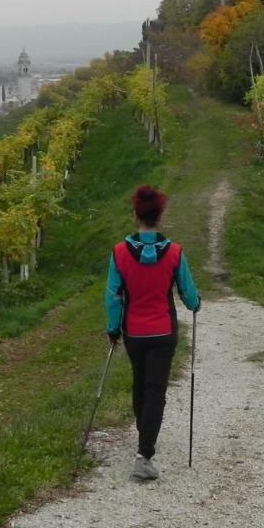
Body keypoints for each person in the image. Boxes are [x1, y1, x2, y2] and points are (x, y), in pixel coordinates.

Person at [104, 185, 200, 480]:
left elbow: (113, 295)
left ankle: (144, 433)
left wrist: (112, 328)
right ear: (160, 216)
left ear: (136, 214)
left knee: (139, 382)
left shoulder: (120, 253)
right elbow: (189, 294)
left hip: (134, 331)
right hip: (163, 331)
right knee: (156, 389)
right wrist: (195, 304)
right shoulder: (174, 253)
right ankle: (144, 452)